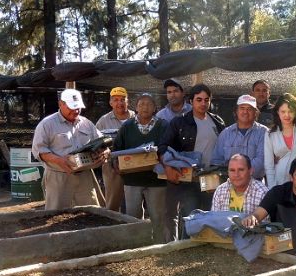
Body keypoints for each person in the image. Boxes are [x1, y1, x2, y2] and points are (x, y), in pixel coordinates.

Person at [161, 84, 225, 241]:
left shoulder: (217, 122)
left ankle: (203, 252)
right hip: (189, 178)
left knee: (208, 216)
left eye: (206, 100)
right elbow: (163, 146)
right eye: (199, 100)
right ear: (191, 101)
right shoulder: (179, 123)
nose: (203, 103)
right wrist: (167, 166)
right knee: (191, 217)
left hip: (211, 177)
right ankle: (184, 249)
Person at [32, 89, 107, 210]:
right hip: (58, 177)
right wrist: (58, 160)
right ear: (61, 104)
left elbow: (101, 141)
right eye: (72, 107)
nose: (76, 110)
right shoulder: (47, 124)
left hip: (85, 177)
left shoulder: (86, 123)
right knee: (56, 214)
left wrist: (105, 151)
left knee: (91, 213)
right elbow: (38, 150)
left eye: (78, 107)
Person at [113, 93, 169, 242]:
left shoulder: (163, 125)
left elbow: (169, 149)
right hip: (132, 180)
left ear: (155, 108)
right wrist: (117, 166)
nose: (145, 107)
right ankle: (137, 245)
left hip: (157, 181)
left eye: (149, 104)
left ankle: (160, 246)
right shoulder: (127, 126)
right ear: (136, 107)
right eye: (141, 104)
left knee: (158, 216)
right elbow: (117, 149)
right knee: (132, 216)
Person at [211, 94, 268, 180]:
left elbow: (261, 162)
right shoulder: (225, 134)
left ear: (255, 113)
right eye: (242, 108)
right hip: (228, 183)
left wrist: (238, 176)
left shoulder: (264, 133)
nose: (245, 112)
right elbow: (216, 161)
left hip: (255, 184)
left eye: (249, 109)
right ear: (236, 111)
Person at [95, 86, 133, 212]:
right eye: (116, 100)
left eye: (122, 99)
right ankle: (112, 228)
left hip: (135, 165)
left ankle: (135, 228)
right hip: (111, 166)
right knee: (112, 203)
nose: (119, 103)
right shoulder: (103, 121)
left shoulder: (137, 118)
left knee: (134, 203)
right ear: (110, 103)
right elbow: (96, 144)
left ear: (128, 101)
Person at [264, 93, 296, 188]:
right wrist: (272, 188)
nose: (287, 115)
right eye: (283, 111)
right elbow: (268, 166)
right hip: (278, 183)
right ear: (277, 112)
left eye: (290, 111)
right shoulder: (270, 134)